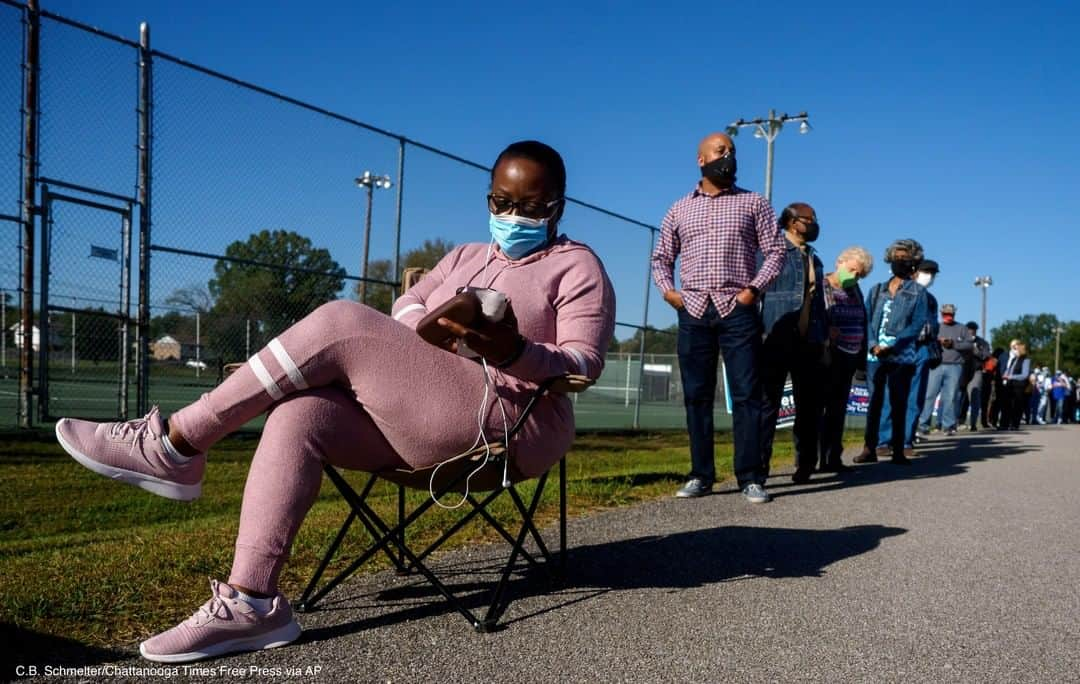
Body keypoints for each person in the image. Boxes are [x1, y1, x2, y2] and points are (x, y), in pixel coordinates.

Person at [53, 140, 617, 663]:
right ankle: (252, 603)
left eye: (532, 207)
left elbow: (581, 370)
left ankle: (176, 442)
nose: (514, 216)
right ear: (488, 197)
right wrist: (432, 331)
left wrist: (513, 349)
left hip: (506, 426)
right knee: (300, 416)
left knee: (342, 320)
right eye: (502, 201)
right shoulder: (466, 255)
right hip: (422, 410)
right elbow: (410, 303)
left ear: (558, 207)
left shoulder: (578, 266)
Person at [652, 132, 785, 503]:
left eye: (733, 151)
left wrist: (752, 291)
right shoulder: (679, 209)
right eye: (720, 151)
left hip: (737, 309)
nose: (729, 156)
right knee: (696, 395)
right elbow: (661, 257)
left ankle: (750, 476)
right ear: (701, 159)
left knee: (747, 395)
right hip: (692, 310)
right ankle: (701, 474)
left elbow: (775, 252)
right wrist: (669, 292)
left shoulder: (754, 203)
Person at [758, 203, 828, 484]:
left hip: (809, 340)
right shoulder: (769, 252)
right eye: (809, 220)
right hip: (776, 336)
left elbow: (819, 302)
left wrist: (823, 340)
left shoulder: (815, 258)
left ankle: (806, 463)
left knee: (809, 406)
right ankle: (758, 468)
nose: (813, 224)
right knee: (768, 405)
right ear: (791, 222)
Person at [853, 239, 928, 466]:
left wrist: (895, 346)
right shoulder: (877, 290)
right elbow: (866, 320)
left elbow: (916, 325)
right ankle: (870, 447)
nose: (900, 261)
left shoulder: (918, 292)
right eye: (896, 257)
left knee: (899, 402)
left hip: (902, 354)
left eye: (905, 258)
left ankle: (897, 449)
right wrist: (873, 344)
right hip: (875, 354)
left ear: (913, 261)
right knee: (874, 403)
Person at [818, 246, 873, 473]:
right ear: (840, 262)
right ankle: (812, 459)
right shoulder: (822, 285)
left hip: (850, 354)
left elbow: (863, 320)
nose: (855, 276)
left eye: (860, 274)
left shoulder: (856, 290)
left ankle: (833, 459)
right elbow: (812, 316)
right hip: (828, 354)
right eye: (852, 270)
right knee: (819, 408)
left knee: (838, 409)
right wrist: (825, 328)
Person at [877, 258, 939, 457]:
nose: (929, 276)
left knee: (915, 397)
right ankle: (884, 441)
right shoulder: (897, 291)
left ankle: (906, 442)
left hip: (921, 349)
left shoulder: (931, 300)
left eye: (933, 273)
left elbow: (933, 326)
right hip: (898, 347)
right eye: (925, 271)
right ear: (914, 272)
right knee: (889, 395)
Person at [917, 303, 972, 436]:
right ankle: (923, 425)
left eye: (950, 314)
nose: (948, 316)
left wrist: (953, 343)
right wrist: (938, 342)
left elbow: (969, 345)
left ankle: (948, 426)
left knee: (951, 397)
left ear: (954, 314)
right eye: (945, 314)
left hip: (955, 366)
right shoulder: (936, 326)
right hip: (936, 365)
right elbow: (926, 340)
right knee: (929, 395)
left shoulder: (962, 328)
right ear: (941, 314)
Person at [962, 321, 991, 431]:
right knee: (958, 396)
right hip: (962, 371)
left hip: (976, 371)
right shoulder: (961, 340)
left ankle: (973, 423)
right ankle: (955, 422)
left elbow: (986, 355)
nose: (971, 331)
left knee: (975, 396)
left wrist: (976, 351)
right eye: (969, 329)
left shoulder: (982, 342)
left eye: (973, 329)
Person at [998, 340, 1031, 430]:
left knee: (1017, 406)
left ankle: (1014, 424)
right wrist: (1005, 375)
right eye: (1013, 348)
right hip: (1009, 385)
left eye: (1016, 349)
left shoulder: (1026, 360)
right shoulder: (1013, 359)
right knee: (1006, 405)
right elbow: (1009, 370)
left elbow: (1024, 375)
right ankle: (1004, 424)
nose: (1014, 350)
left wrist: (1010, 377)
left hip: (1019, 386)